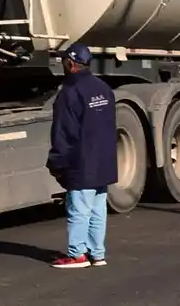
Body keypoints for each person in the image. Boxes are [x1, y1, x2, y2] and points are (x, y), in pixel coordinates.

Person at [46, 44, 117, 269]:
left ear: (71, 63)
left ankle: (77, 254)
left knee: (78, 209)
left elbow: (63, 133)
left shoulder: (69, 93)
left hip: (81, 162)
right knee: (98, 209)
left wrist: (57, 161)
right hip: (103, 161)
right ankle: (98, 253)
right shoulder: (104, 89)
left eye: (64, 60)